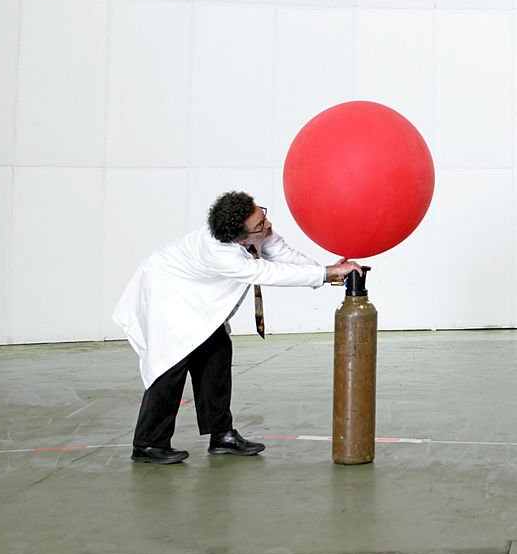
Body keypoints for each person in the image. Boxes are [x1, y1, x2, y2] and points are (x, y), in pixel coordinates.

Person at [113, 191, 362, 465]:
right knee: (170, 366)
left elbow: (280, 251)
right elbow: (268, 272)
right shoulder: (220, 253)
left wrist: (325, 271)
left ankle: (221, 435)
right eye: (259, 225)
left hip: (195, 302)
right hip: (166, 298)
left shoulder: (252, 231)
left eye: (263, 215)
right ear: (240, 238)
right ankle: (148, 444)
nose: (267, 225)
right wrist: (326, 273)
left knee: (217, 352)